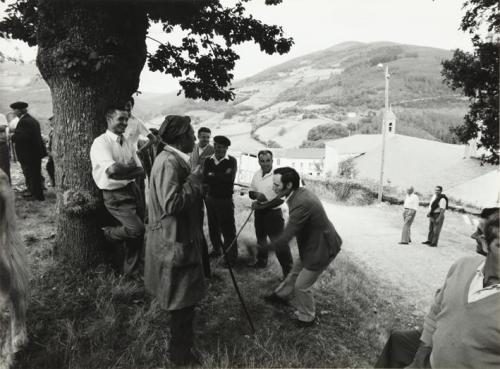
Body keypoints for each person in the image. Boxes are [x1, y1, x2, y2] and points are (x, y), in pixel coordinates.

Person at [375, 207, 500, 368]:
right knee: (398, 341)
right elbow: (436, 311)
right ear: (485, 243)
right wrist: (420, 358)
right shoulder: (461, 266)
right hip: (430, 362)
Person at [144, 115, 205, 367]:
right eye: (191, 134)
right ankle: (181, 357)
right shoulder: (169, 161)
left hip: (174, 238)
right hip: (175, 241)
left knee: (181, 302)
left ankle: (181, 350)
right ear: (180, 137)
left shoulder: (169, 158)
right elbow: (172, 203)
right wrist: (194, 178)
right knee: (182, 304)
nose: (195, 138)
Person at [257, 167, 342, 326]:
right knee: (295, 272)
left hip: (322, 247)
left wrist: (262, 248)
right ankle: (280, 296)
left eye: (276, 184)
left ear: (288, 185)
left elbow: (286, 236)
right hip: (311, 243)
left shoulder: (301, 202)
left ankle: (307, 317)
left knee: (301, 286)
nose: (273, 187)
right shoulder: (298, 193)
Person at [90, 106, 145, 274]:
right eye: (120, 119)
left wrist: (123, 171)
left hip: (132, 188)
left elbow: (141, 170)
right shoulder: (101, 142)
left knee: (138, 233)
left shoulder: (127, 141)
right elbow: (111, 170)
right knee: (137, 230)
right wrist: (126, 168)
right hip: (115, 195)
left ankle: (132, 271)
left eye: (127, 119)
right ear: (109, 120)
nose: (125, 123)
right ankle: (107, 234)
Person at [248, 150, 293, 277]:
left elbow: (280, 199)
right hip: (259, 214)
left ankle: (288, 273)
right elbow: (251, 191)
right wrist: (256, 195)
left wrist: (264, 203)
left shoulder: (279, 176)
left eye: (268, 161)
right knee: (261, 239)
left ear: (272, 161)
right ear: (259, 161)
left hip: (273, 215)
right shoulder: (257, 174)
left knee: (279, 244)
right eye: (262, 161)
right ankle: (261, 262)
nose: (265, 164)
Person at [203, 135, 238, 266]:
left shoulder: (232, 161)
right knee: (213, 227)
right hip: (210, 198)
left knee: (228, 229)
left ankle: (231, 258)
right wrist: (220, 175)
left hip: (225, 200)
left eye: (223, 147)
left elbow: (229, 179)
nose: (220, 149)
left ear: (227, 148)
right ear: (214, 146)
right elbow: (205, 178)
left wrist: (213, 175)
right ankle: (216, 250)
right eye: (217, 146)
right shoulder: (208, 161)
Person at [10, 101, 47, 201]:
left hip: (28, 154)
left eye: (15, 110)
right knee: (35, 173)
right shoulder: (32, 120)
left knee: (31, 174)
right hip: (35, 153)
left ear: (21, 110)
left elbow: (23, 137)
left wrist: (13, 136)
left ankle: (35, 194)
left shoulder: (24, 122)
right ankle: (36, 193)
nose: (14, 112)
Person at [45, 116, 55, 187]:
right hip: (51, 152)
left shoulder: (55, 131)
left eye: (52, 121)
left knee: (50, 167)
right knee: (50, 167)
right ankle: (53, 183)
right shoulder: (52, 130)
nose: (50, 123)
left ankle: (54, 184)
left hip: (53, 153)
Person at [0, 114, 10, 183]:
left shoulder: (1, 116)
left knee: (4, 167)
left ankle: (7, 186)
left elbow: (3, 127)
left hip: (1, 145)